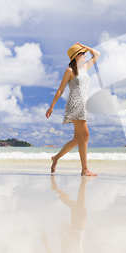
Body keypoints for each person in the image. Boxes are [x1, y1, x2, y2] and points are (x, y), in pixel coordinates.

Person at [46, 42, 100, 176]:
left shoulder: (85, 68)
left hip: (83, 106)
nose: (86, 55)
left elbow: (97, 54)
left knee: (77, 139)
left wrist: (85, 46)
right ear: (77, 56)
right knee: (86, 135)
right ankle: (84, 169)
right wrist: (52, 106)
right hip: (75, 105)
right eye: (83, 53)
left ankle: (56, 158)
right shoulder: (69, 71)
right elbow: (61, 89)